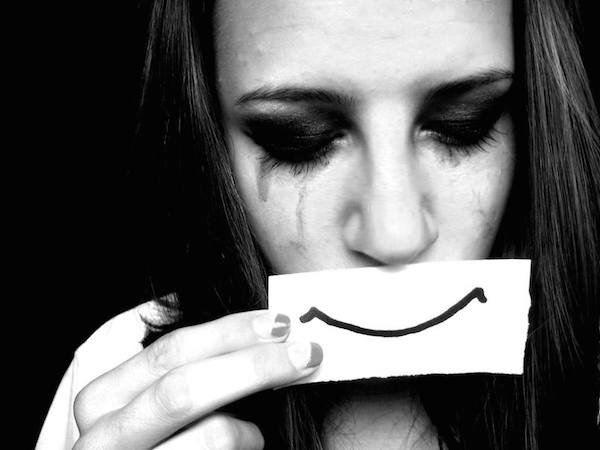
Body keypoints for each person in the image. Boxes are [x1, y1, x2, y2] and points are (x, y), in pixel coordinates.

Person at [37, 0, 600, 448]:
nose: (396, 235)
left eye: (464, 124)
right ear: (209, 135)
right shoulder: (119, 381)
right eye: (298, 140)